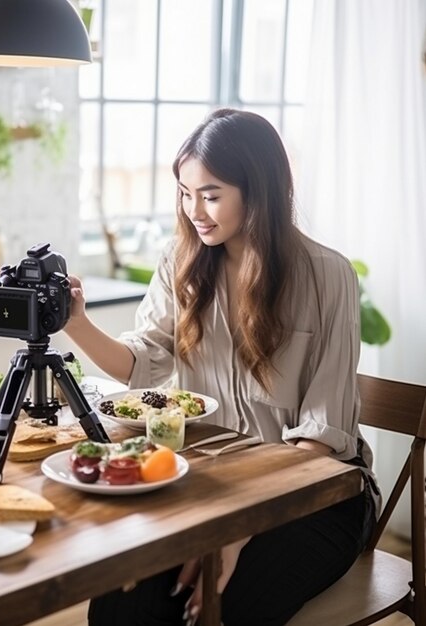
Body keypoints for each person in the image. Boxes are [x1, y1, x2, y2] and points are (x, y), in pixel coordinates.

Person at [64, 108, 380, 626]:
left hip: (316, 495)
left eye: (210, 194)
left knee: (224, 609)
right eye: (185, 194)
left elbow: (322, 436)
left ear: (259, 191)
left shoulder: (327, 276)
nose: (195, 211)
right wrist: (76, 323)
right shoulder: (180, 262)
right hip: (213, 482)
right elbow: (142, 363)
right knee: (122, 605)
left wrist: (240, 526)